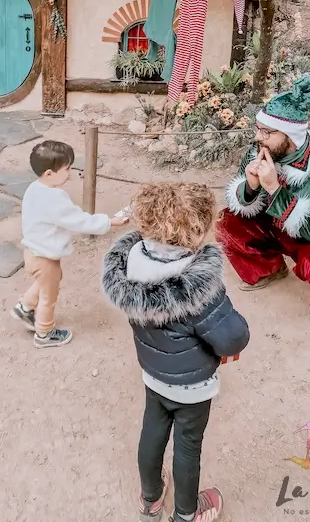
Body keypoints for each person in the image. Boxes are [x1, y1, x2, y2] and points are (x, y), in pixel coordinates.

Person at [102, 183, 250, 522]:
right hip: (192, 385)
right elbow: (232, 338)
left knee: (152, 431)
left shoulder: (130, 266)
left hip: (153, 372)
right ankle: (187, 513)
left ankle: (151, 498)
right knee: (187, 445)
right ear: (198, 229)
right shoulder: (199, 288)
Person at [216, 74, 310, 325]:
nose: (258, 137)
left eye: (266, 132)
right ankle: (270, 268)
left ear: (289, 137)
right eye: (258, 129)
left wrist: (273, 188)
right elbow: (240, 199)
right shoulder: (260, 150)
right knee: (226, 223)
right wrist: (250, 186)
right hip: (277, 221)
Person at [11, 140, 127, 348]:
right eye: (67, 169)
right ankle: (44, 334)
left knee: (46, 282)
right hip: (45, 258)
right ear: (49, 173)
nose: (70, 173)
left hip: (33, 251)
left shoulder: (34, 188)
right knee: (49, 295)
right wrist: (109, 222)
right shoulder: (55, 199)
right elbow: (80, 221)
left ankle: (25, 307)